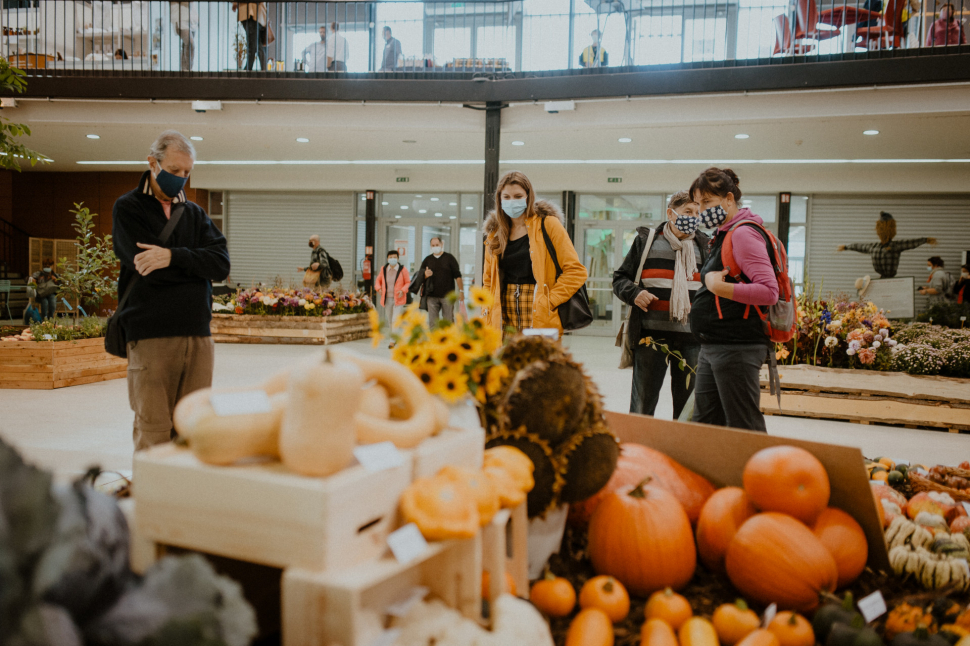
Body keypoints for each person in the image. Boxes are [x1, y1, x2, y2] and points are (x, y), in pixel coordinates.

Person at [112, 130, 230, 452]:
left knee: (193, 428)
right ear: (153, 163)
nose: (182, 178)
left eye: (187, 172)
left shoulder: (194, 214)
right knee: (154, 428)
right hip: (151, 335)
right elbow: (147, 270)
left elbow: (221, 265)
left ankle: (183, 500)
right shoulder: (128, 209)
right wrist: (195, 267)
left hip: (198, 334)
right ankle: (153, 500)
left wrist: (172, 256)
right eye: (175, 170)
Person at [689, 168, 778, 432]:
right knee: (705, 426)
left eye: (707, 202)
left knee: (742, 426)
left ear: (729, 199)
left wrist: (718, 288)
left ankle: (758, 473)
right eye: (698, 204)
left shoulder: (742, 233)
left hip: (736, 346)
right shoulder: (723, 234)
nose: (702, 210)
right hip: (714, 345)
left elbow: (768, 291)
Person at [613, 191, 708, 418]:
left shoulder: (705, 245)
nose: (694, 217)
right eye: (688, 212)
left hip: (692, 339)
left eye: (697, 212)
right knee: (642, 405)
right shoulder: (646, 242)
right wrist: (634, 293)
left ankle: (682, 449)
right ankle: (639, 450)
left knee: (688, 410)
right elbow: (620, 278)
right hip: (650, 338)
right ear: (671, 213)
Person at [482, 171, 588, 339]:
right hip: (502, 314)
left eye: (518, 196)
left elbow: (575, 271)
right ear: (499, 199)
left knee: (538, 363)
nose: (512, 202)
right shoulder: (495, 233)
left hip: (538, 309)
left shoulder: (548, 224)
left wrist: (549, 301)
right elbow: (488, 279)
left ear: (528, 197)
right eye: (506, 197)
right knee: (506, 364)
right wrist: (486, 308)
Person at [837, 211, 936, 278]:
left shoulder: (895, 246)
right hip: (881, 279)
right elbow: (860, 246)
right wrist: (847, 247)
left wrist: (925, 240)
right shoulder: (874, 247)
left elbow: (910, 243)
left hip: (892, 279)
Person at [416, 237, 463, 325]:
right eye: (433, 245)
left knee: (448, 321)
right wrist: (425, 275)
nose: (435, 247)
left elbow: (458, 276)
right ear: (430, 246)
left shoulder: (449, 258)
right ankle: (434, 338)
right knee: (433, 323)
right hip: (432, 296)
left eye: (437, 245)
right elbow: (420, 276)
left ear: (441, 244)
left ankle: (449, 338)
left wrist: (461, 291)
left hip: (447, 296)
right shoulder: (427, 260)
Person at [375, 249, 410, 329]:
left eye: (395, 257)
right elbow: (378, 280)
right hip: (387, 299)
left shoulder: (403, 269)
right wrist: (378, 288)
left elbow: (408, 282)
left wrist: (403, 290)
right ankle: (394, 338)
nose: (392, 259)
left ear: (398, 259)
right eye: (390, 257)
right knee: (390, 320)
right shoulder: (384, 269)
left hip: (399, 298)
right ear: (387, 259)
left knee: (395, 320)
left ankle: (392, 341)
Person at [232, 2, 268, 71]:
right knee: (256, 43)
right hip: (253, 13)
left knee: (253, 42)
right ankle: (262, 68)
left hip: (254, 13)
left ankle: (249, 68)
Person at [170, 2, 198, 71]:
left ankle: (184, 70)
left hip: (192, 17)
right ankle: (188, 70)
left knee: (185, 46)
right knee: (190, 43)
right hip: (179, 16)